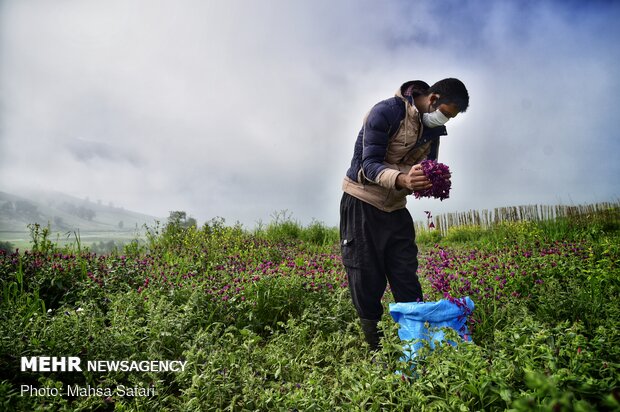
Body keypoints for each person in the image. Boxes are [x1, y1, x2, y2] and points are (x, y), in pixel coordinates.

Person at [340, 78, 470, 351]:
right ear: (433, 99)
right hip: (362, 201)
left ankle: (413, 344)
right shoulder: (386, 112)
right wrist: (404, 179)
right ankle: (376, 347)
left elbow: (424, 168)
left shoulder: (433, 131)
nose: (445, 120)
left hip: (396, 207)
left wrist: (430, 181)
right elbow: (369, 165)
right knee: (366, 276)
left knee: (405, 273)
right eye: (446, 113)